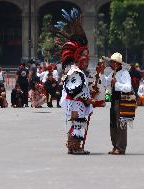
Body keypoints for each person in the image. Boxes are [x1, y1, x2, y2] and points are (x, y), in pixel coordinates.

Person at [55, 8, 95, 155]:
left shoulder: (77, 71)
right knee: (77, 124)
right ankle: (75, 147)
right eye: (84, 54)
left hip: (77, 103)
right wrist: (88, 100)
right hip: (76, 103)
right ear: (77, 55)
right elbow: (74, 90)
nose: (87, 57)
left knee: (77, 124)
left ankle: (73, 146)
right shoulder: (74, 71)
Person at [99, 52, 133, 155]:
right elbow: (105, 83)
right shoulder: (113, 73)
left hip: (122, 101)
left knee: (121, 125)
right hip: (114, 100)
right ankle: (115, 145)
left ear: (117, 63)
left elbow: (128, 87)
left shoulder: (124, 73)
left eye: (112, 62)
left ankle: (121, 147)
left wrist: (117, 84)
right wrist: (101, 73)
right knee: (113, 124)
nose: (110, 64)